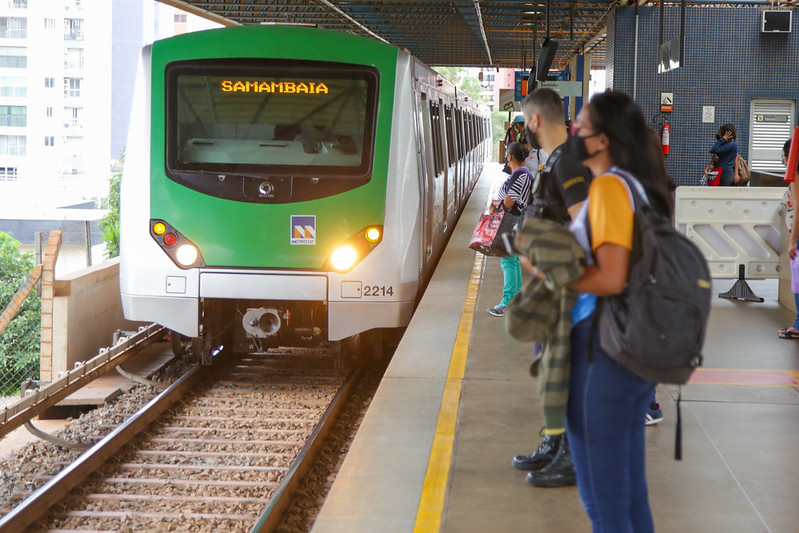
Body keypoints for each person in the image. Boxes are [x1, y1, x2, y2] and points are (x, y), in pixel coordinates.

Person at [563, 90, 673, 531]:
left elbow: (611, 276)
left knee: (603, 502)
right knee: (628, 496)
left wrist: (549, 269)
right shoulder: (637, 188)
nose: (574, 133)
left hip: (599, 347)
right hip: (629, 347)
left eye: (581, 127)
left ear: (603, 139)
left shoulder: (609, 188)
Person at [510, 88, 591, 488]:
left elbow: (585, 227)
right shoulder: (557, 160)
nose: (526, 127)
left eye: (526, 119)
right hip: (550, 286)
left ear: (536, 120)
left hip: (566, 289)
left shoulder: (570, 161)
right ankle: (555, 441)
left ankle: (573, 457)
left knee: (566, 373)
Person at [487, 141, 533, 317]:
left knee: (507, 261)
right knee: (512, 261)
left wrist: (494, 203)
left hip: (513, 223)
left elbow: (508, 204)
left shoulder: (520, 175)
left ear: (510, 156)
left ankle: (508, 302)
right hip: (517, 222)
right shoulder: (524, 174)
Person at [779, 137, 799, 339]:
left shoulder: (797, 177)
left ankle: (798, 325)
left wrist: (792, 241)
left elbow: (798, 210)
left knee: (798, 283)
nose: (783, 159)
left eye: (785, 155)